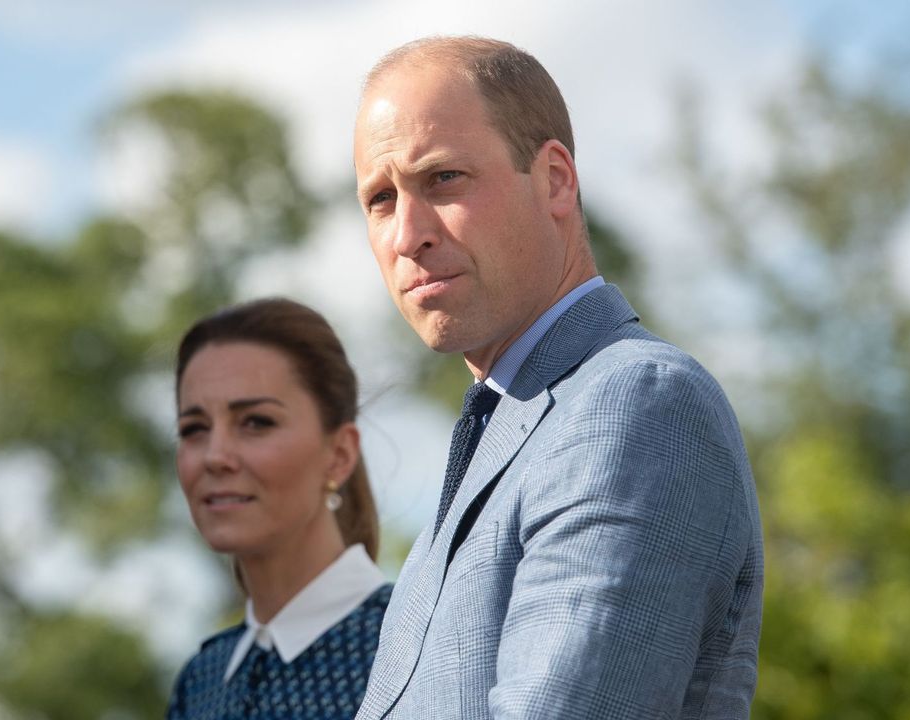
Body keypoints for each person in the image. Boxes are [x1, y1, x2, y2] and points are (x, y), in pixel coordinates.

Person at [351, 36, 763, 719]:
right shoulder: (501, 436)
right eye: (381, 200)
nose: (407, 234)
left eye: (443, 179)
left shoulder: (633, 404)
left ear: (556, 181)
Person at [166, 298, 392, 720]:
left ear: (339, 454)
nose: (215, 456)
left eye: (256, 422)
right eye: (193, 428)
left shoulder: (412, 647)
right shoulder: (200, 682)